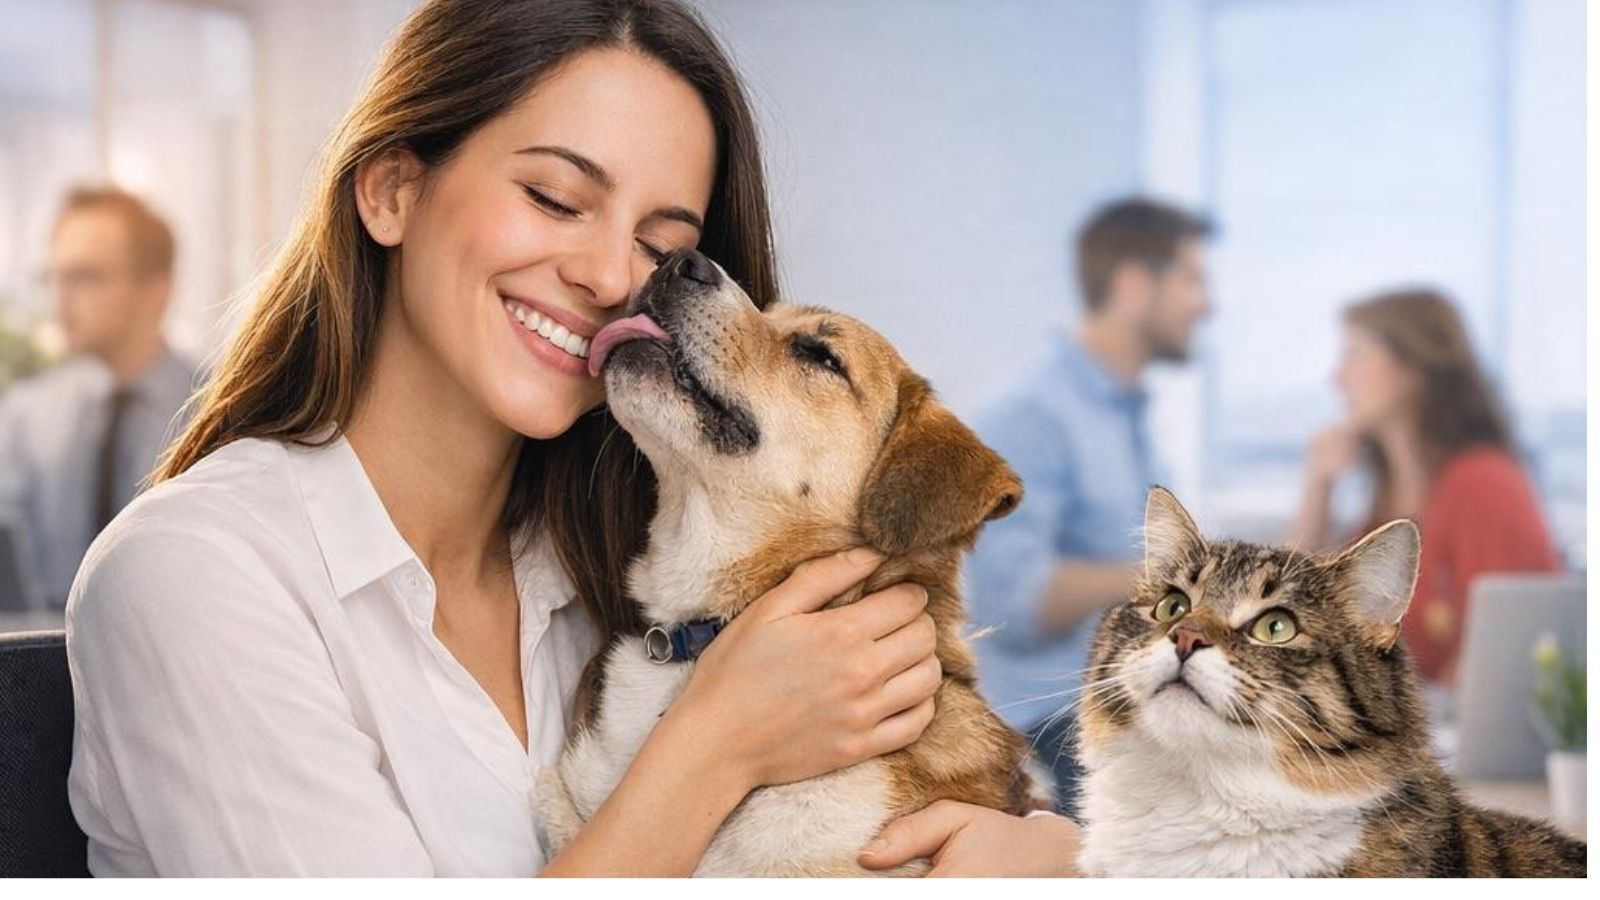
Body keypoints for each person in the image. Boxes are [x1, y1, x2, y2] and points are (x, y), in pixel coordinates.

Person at [64, 0, 1080, 877]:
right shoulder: (195, 575)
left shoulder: (613, 573)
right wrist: (716, 745)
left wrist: (1051, 854)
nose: (608, 276)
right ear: (392, 190)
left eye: (661, 246)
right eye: (554, 198)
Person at [965, 198, 1213, 815]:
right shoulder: (1033, 416)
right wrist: (1165, 583)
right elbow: (1013, 604)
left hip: (1127, 694)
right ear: (1133, 284)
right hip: (1050, 718)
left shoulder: (1127, 416)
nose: (1206, 303)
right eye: (1191, 279)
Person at [1289, 288, 1558, 685]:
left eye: (1355, 355)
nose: (1337, 379)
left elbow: (1499, 656)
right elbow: (1288, 611)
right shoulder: (1384, 501)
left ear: (1414, 366)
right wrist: (1318, 486)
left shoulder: (1485, 483)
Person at [0, 186, 198, 609]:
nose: (61, 297)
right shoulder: (26, 415)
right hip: (42, 644)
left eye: (85, 277)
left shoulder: (216, 411)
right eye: (55, 277)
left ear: (155, 291)